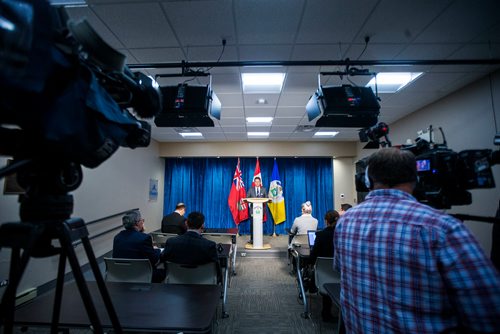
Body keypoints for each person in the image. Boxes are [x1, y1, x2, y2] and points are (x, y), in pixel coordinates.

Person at [334, 147, 500, 333]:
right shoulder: (441, 227)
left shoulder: (345, 221)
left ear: (368, 179)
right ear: (416, 178)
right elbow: (489, 310)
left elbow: (340, 270)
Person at [161, 211, 221, 282]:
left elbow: (162, 259)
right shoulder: (210, 245)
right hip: (203, 285)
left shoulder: (171, 242)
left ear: (186, 223)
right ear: (202, 225)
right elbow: (217, 270)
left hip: (176, 283)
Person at [113, 210, 166, 283]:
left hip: (122, 274)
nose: (143, 222)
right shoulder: (144, 238)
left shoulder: (117, 237)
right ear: (137, 223)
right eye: (142, 220)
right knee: (164, 271)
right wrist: (158, 250)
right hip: (142, 274)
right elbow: (154, 259)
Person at [309, 210, 340, 322]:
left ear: (326, 221)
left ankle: (325, 313)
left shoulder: (320, 235)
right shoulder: (343, 235)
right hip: (341, 275)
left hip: (323, 277)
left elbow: (313, 256)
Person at [246, 176, 267, 243]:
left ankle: (260, 239)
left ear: (260, 182)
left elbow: (266, 198)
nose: (257, 183)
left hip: (261, 210)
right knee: (252, 225)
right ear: (254, 182)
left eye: (258, 181)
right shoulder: (250, 189)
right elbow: (247, 198)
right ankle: (252, 239)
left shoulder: (264, 189)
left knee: (260, 225)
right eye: (256, 181)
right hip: (252, 210)